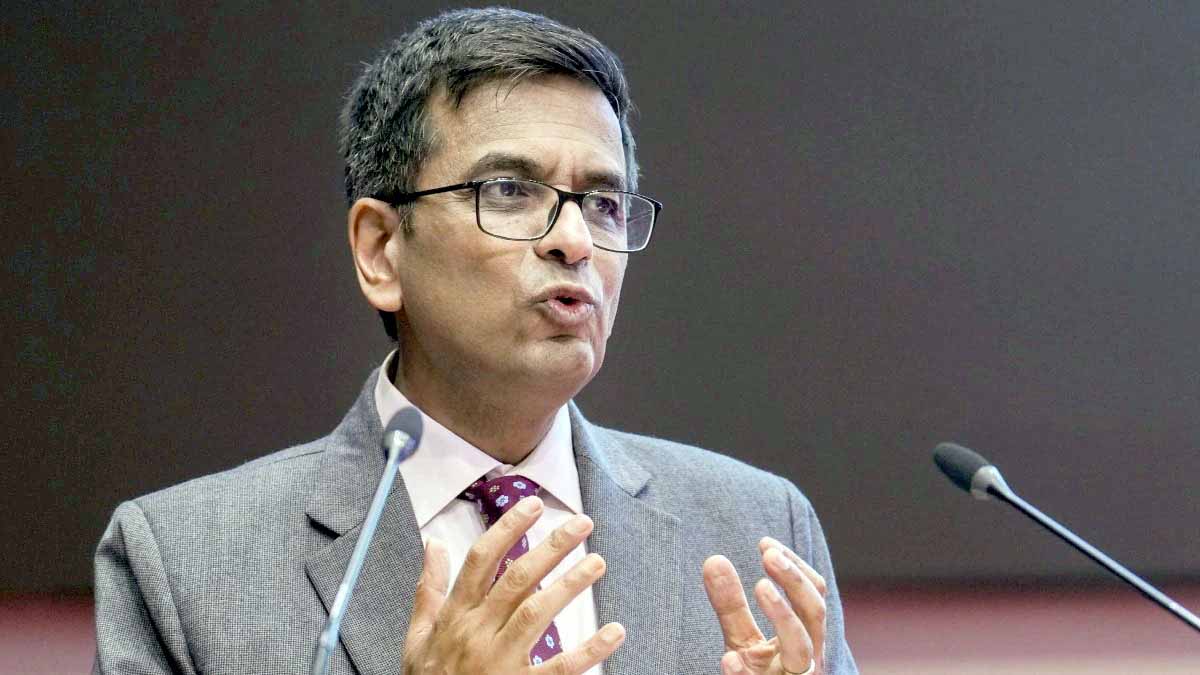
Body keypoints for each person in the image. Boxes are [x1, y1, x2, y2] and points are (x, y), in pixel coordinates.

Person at [92, 8, 858, 675]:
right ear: (381, 250)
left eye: (603, 202)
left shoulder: (758, 529)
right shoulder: (181, 566)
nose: (573, 240)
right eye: (511, 191)